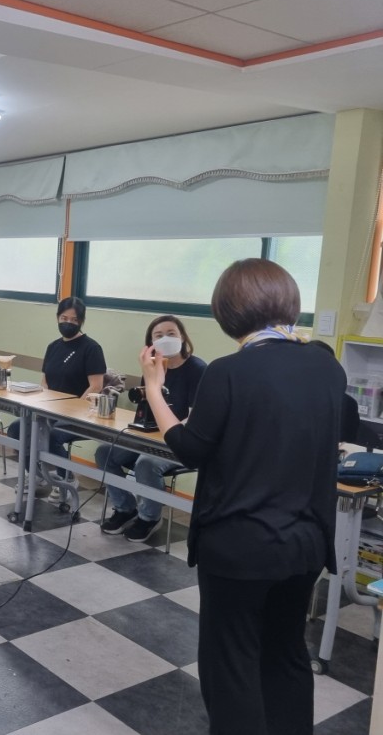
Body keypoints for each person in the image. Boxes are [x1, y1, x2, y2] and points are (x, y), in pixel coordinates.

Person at [138, 258, 347, 735]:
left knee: (231, 665)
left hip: (240, 546)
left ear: (227, 313)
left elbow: (191, 448)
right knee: (286, 655)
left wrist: (153, 388)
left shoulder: (229, 371)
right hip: (305, 543)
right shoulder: (326, 366)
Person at [97, 315, 207, 542]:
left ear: (183, 338)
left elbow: (195, 418)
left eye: (171, 333)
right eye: (159, 335)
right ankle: (125, 508)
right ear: (151, 343)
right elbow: (145, 410)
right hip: (150, 436)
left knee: (146, 462)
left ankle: (149, 517)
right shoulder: (151, 369)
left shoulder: (197, 369)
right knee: (105, 452)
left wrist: (171, 432)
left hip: (181, 442)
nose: (165, 338)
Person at [7, 297, 106, 489]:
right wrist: (42, 405)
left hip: (79, 414)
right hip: (51, 410)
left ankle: (67, 480)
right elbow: (45, 381)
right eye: (64, 318)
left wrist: (73, 409)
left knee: (51, 435)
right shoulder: (53, 347)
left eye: (74, 320)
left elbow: (96, 386)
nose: (68, 323)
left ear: (81, 321)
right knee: (17, 428)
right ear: (57, 318)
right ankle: (36, 475)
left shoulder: (91, 348)